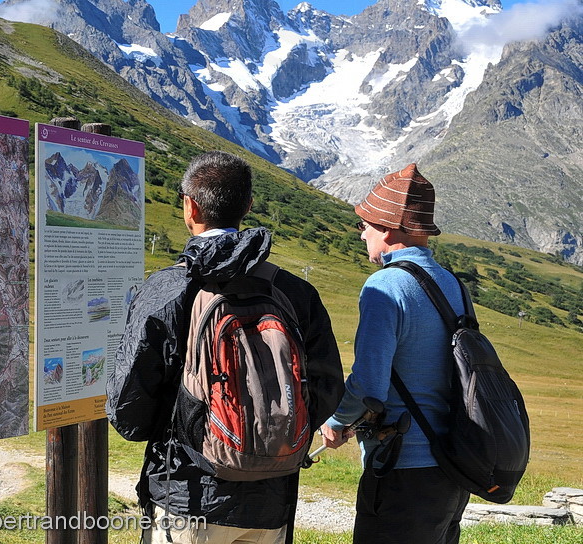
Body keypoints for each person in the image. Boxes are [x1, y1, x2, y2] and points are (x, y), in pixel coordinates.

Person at [107, 151, 344, 544]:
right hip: (273, 500)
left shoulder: (166, 289)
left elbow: (128, 412)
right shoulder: (294, 291)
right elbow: (328, 387)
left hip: (187, 493)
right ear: (247, 206)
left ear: (190, 205)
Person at [319, 163, 470, 544]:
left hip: (402, 468)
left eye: (364, 225)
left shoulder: (385, 285)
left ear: (386, 228)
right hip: (453, 465)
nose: (362, 234)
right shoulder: (454, 285)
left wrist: (336, 422)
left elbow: (369, 383)